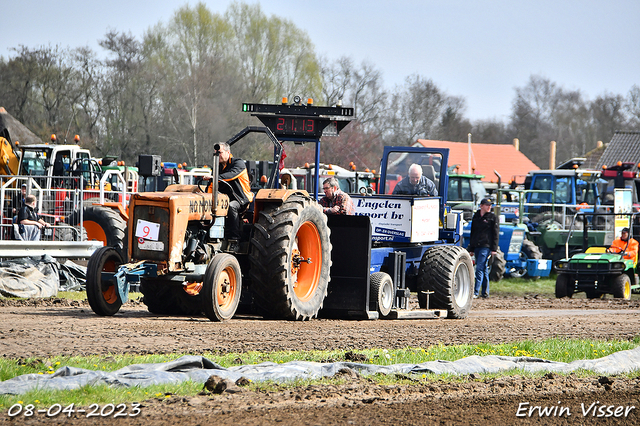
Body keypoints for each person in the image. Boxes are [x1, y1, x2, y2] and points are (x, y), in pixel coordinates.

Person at [218, 142, 253, 251]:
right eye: (215, 154)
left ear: (228, 152)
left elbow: (230, 175)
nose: (217, 156)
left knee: (232, 206)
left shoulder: (238, 163)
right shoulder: (218, 167)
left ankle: (234, 240)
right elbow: (211, 184)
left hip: (241, 198)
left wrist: (214, 177)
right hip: (225, 197)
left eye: (219, 153)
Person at [467, 197, 499, 298]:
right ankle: (485, 292)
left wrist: (494, 249)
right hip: (477, 245)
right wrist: (471, 248)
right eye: (487, 205)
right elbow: (473, 232)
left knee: (479, 268)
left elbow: (495, 234)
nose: (489, 207)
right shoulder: (476, 216)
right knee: (484, 269)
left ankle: (475, 292)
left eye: (490, 205)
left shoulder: (493, 217)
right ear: (481, 206)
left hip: (486, 246)